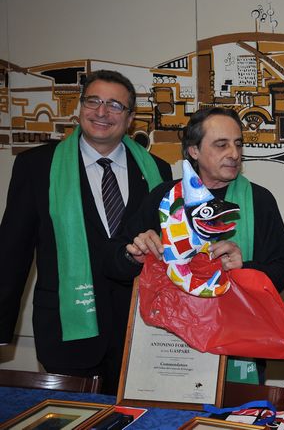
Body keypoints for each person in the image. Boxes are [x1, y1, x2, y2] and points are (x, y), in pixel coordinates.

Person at [0, 70, 172, 394]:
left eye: (115, 105)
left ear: (130, 118)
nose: (102, 112)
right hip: (67, 333)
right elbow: (11, 254)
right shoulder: (37, 166)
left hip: (138, 334)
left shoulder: (158, 171)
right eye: (93, 101)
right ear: (80, 108)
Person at [106, 106, 284, 384]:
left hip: (236, 347)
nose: (234, 153)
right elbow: (113, 262)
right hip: (170, 347)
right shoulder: (164, 198)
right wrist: (135, 254)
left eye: (238, 144)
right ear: (193, 151)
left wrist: (243, 268)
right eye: (221, 145)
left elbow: (280, 274)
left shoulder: (259, 200)